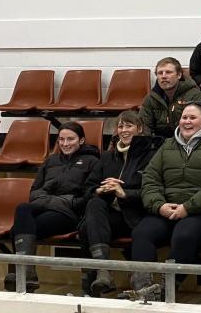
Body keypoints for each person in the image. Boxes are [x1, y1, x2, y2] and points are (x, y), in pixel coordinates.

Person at [130, 101, 201, 297]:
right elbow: (150, 178)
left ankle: (167, 288)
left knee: (184, 234)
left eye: (192, 118)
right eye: (184, 117)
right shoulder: (167, 145)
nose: (186, 122)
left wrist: (188, 207)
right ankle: (143, 287)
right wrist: (159, 205)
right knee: (142, 233)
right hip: (167, 209)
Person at [4, 122, 100, 292]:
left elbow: (88, 197)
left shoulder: (92, 161)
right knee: (22, 208)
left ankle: (25, 275)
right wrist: (56, 200)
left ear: (81, 140)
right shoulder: (51, 161)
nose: (65, 143)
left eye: (70, 139)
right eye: (61, 139)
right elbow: (34, 192)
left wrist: (60, 201)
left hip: (70, 214)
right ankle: (27, 274)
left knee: (16, 230)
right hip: (46, 207)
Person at [78, 111, 164, 297]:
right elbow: (87, 189)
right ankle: (104, 272)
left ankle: (95, 282)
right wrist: (99, 190)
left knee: (87, 228)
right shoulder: (107, 157)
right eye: (120, 126)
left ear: (140, 128)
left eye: (129, 126)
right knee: (94, 204)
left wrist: (124, 193)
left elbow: (156, 192)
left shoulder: (153, 155)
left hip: (138, 216)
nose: (124, 130)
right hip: (112, 218)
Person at [139, 57, 201, 138]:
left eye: (168, 72)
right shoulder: (151, 98)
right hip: (159, 144)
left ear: (179, 75)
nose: (163, 76)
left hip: (187, 142)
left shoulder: (194, 95)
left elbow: (200, 127)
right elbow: (145, 126)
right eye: (160, 73)